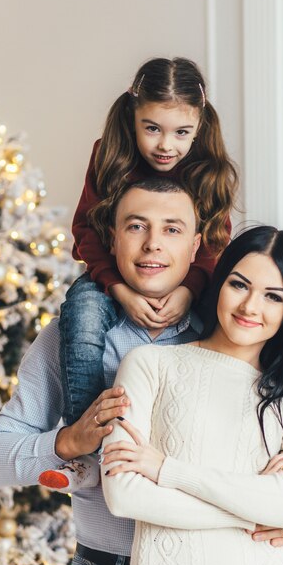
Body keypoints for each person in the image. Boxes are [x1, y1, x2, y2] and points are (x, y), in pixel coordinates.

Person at [0, 187, 283, 565]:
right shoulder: (68, 338)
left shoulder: (232, 330)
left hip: (212, 564)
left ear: (194, 246)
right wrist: (68, 442)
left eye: (172, 229)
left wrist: (281, 510)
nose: (153, 243)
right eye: (136, 226)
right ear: (113, 239)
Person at [100, 225, 283, 565]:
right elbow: (124, 494)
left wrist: (166, 470)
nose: (250, 307)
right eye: (239, 285)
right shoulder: (150, 365)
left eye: (274, 296)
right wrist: (257, 509)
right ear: (219, 283)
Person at [59, 56, 238, 429]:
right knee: (83, 312)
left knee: (229, 313)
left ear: (199, 125)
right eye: (152, 128)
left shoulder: (208, 168)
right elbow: (87, 231)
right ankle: (87, 432)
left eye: (181, 133)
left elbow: (214, 243)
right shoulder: (109, 155)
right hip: (111, 276)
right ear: (132, 116)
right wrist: (118, 289)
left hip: (192, 279)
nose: (166, 145)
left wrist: (190, 290)